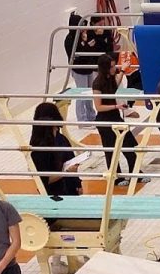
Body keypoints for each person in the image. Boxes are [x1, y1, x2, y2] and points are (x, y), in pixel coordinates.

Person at [91, 54, 139, 185]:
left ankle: (135, 173)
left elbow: (115, 86)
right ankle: (116, 177)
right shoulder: (97, 84)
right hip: (104, 121)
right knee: (111, 151)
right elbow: (99, 107)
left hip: (115, 117)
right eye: (112, 66)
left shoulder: (111, 78)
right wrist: (116, 106)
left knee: (129, 145)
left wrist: (123, 70)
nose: (114, 68)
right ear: (105, 68)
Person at [28, 103, 83, 197]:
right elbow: (45, 180)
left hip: (69, 187)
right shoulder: (38, 150)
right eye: (54, 127)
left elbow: (71, 160)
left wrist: (77, 183)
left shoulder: (61, 139)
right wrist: (67, 172)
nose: (57, 129)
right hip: (55, 193)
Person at [64, 14, 97, 123]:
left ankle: (91, 115)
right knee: (81, 94)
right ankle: (82, 120)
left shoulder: (83, 36)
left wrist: (86, 43)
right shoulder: (70, 40)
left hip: (87, 68)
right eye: (81, 26)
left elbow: (89, 52)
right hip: (79, 70)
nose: (83, 29)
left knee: (89, 93)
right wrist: (87, 45)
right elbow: (79, 55)